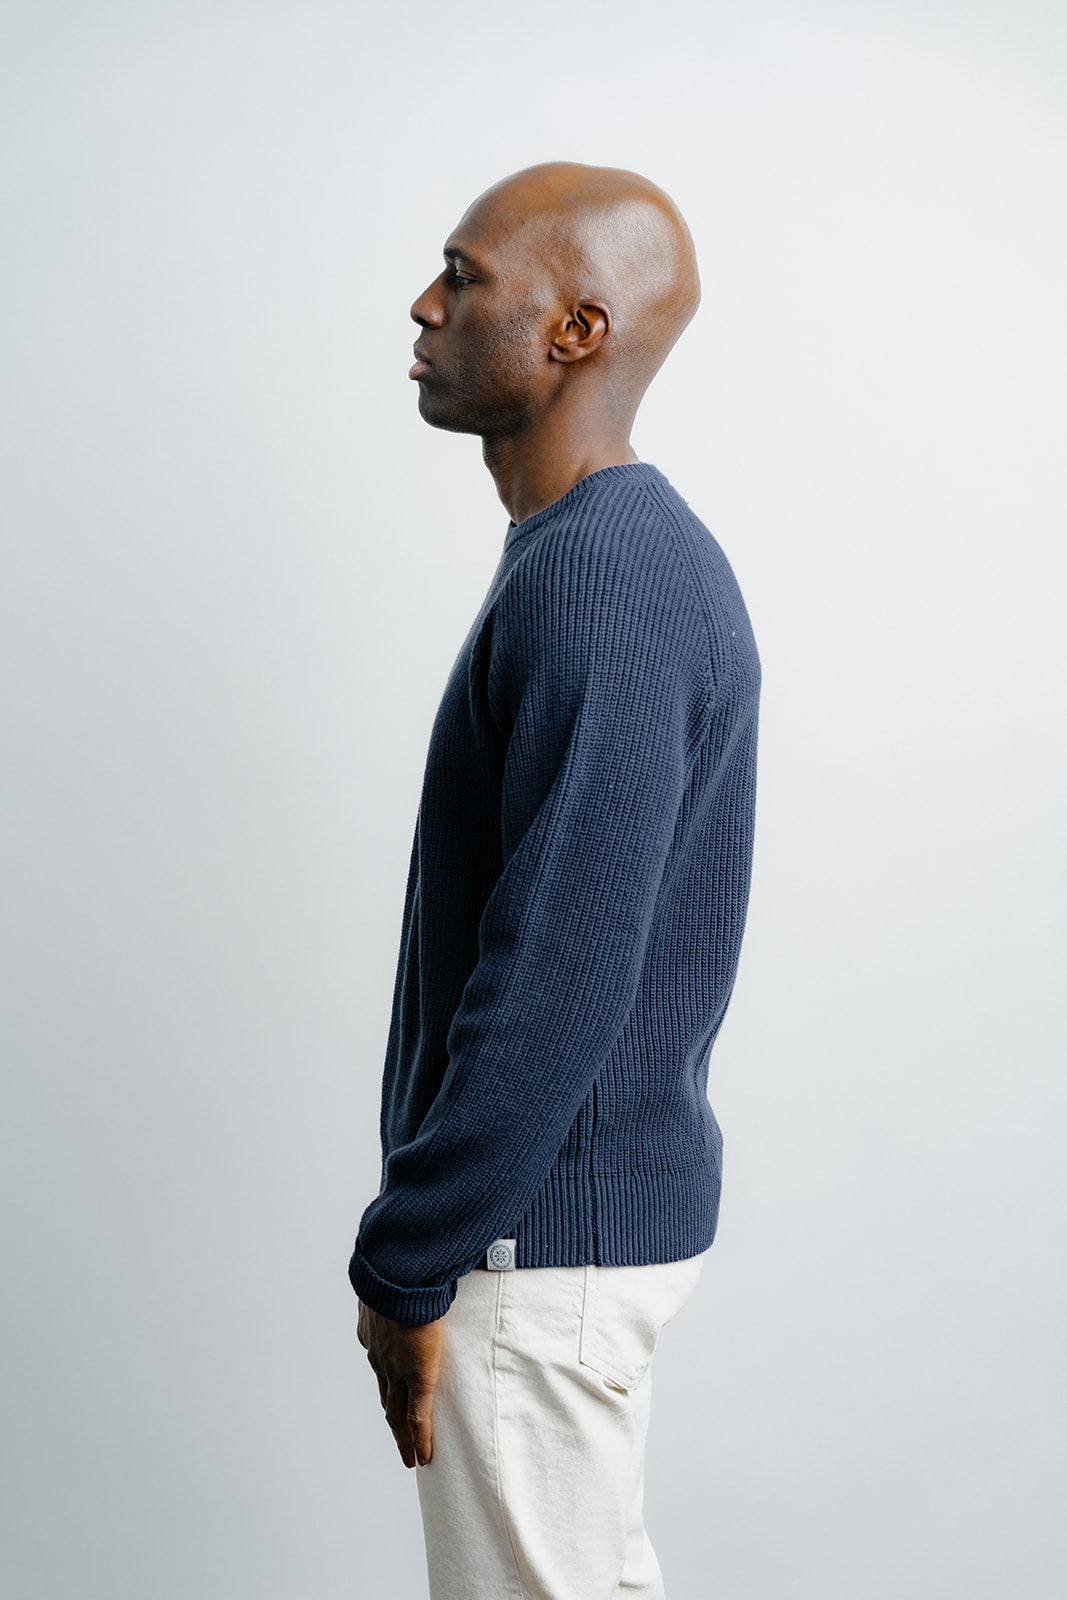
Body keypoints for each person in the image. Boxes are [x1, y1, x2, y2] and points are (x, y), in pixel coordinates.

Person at [350, 160, 760, 1600]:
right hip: (550, 1236)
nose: (425, 302)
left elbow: (558, 972)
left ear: (577, 331)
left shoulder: (608, 579)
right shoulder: (591, 558)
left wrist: (411, 1256)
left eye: (464, 277)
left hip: (531, 1253)